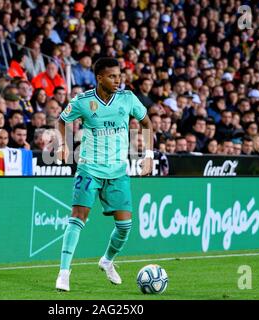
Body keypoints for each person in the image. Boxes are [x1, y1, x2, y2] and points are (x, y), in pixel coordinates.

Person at [55, 57, 153, 292]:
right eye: (112, 76)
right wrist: (63, 144)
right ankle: (64, 272)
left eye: (119, 75)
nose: (117, 80)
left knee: (125, 226)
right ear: (99, 78)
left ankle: (107, 260)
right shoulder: (83, 101)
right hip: (89, 168)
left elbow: (147, 123)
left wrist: (148, 155)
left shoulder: (128, 99)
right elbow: (61, 121)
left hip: (118, 171)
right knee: (78, 218)